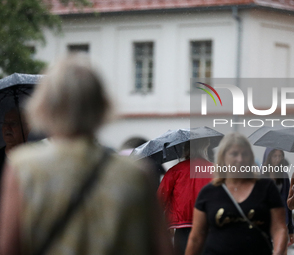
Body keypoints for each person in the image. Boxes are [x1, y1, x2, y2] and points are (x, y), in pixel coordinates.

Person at [0, 54, 172, 255]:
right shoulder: (137, 174)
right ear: (102, 106)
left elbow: (9, 249)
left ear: (45, 107)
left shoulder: (24, 169)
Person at [185, 133, 287, 255]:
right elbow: (196, 238)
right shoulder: (208, 193)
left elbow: (279, 228)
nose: (240, 159)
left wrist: (279, 252)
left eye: (245, 154)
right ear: (223, 157)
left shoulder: (266, 188)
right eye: (234, 154)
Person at [157, 139, 213, 255]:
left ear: (186, 150)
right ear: (205, 149)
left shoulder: (175, 170)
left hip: (182, 225)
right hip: (207, 224)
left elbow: (160, 198)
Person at [263, 148, 294, 254]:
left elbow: (287, 201)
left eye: (280, 156)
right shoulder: (262, 177)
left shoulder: (284, 176)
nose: (277, 159)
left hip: (281, 220)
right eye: (274, 156)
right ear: (268, 157)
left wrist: (291, 228)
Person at [0, 108, 29, 182]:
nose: (7, 127)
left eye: (13, 123)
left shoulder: (36, 157)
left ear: (26, 128)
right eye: (5, 123)